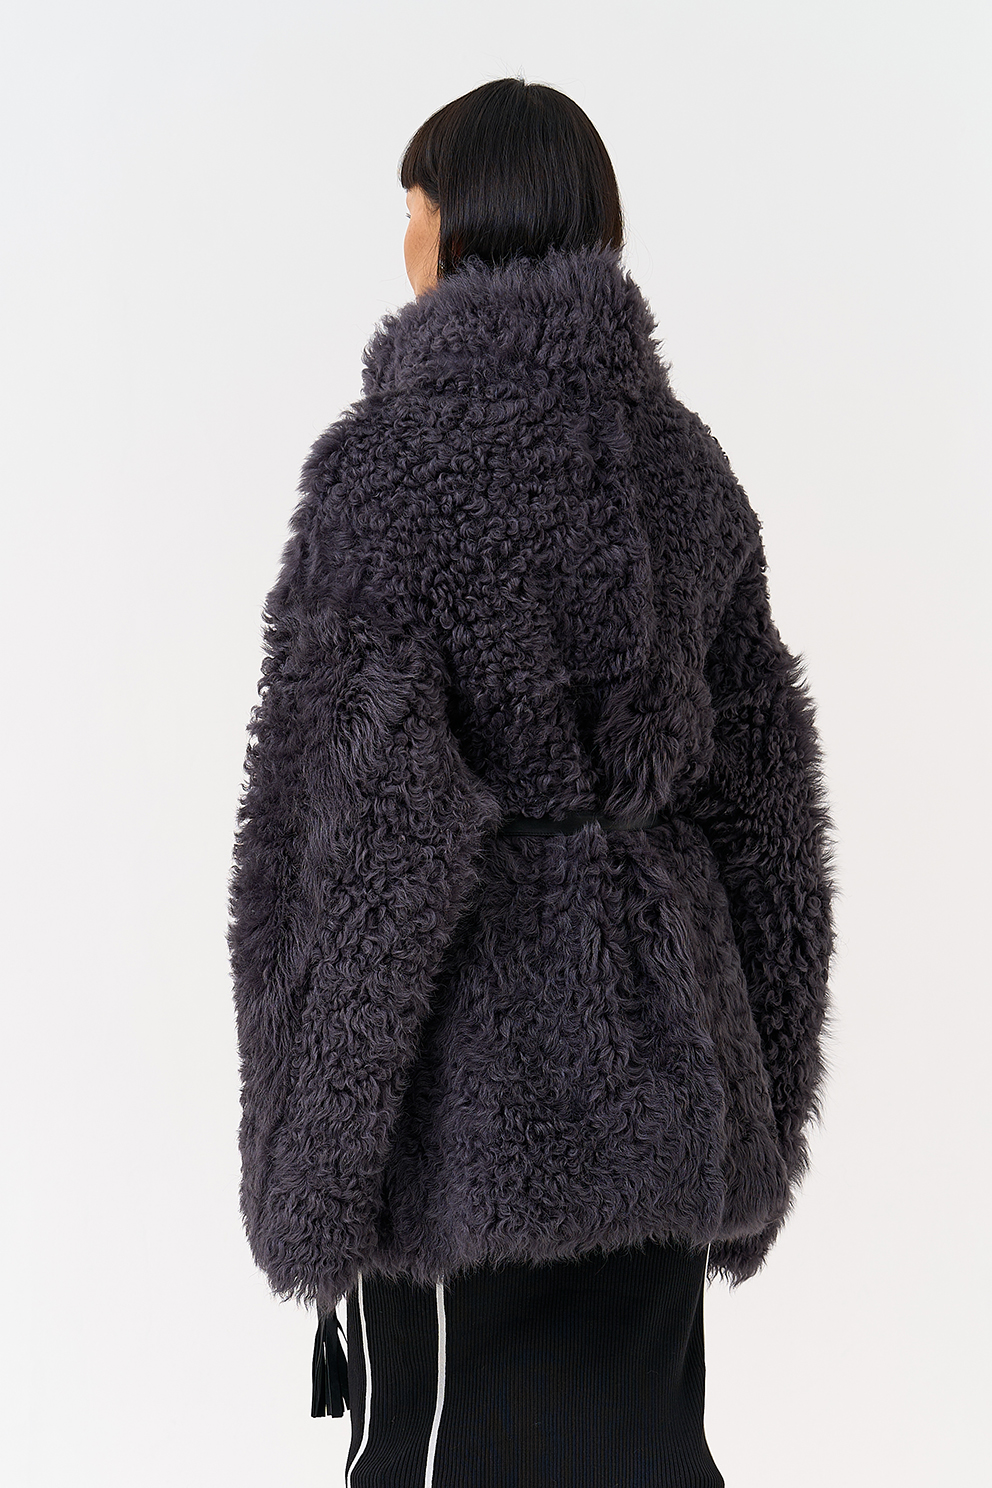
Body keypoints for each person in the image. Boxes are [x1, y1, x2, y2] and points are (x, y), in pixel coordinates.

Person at [228, 76, 837, 1487]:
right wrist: (753, 1102)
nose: (404, 241)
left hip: (466, 1126)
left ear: (464, 223)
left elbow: (361, 844)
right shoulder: (688, 469)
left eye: (414, 208)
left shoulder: (388, 475)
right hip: (670, 1099)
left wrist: (313, 1169)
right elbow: (768, 823)